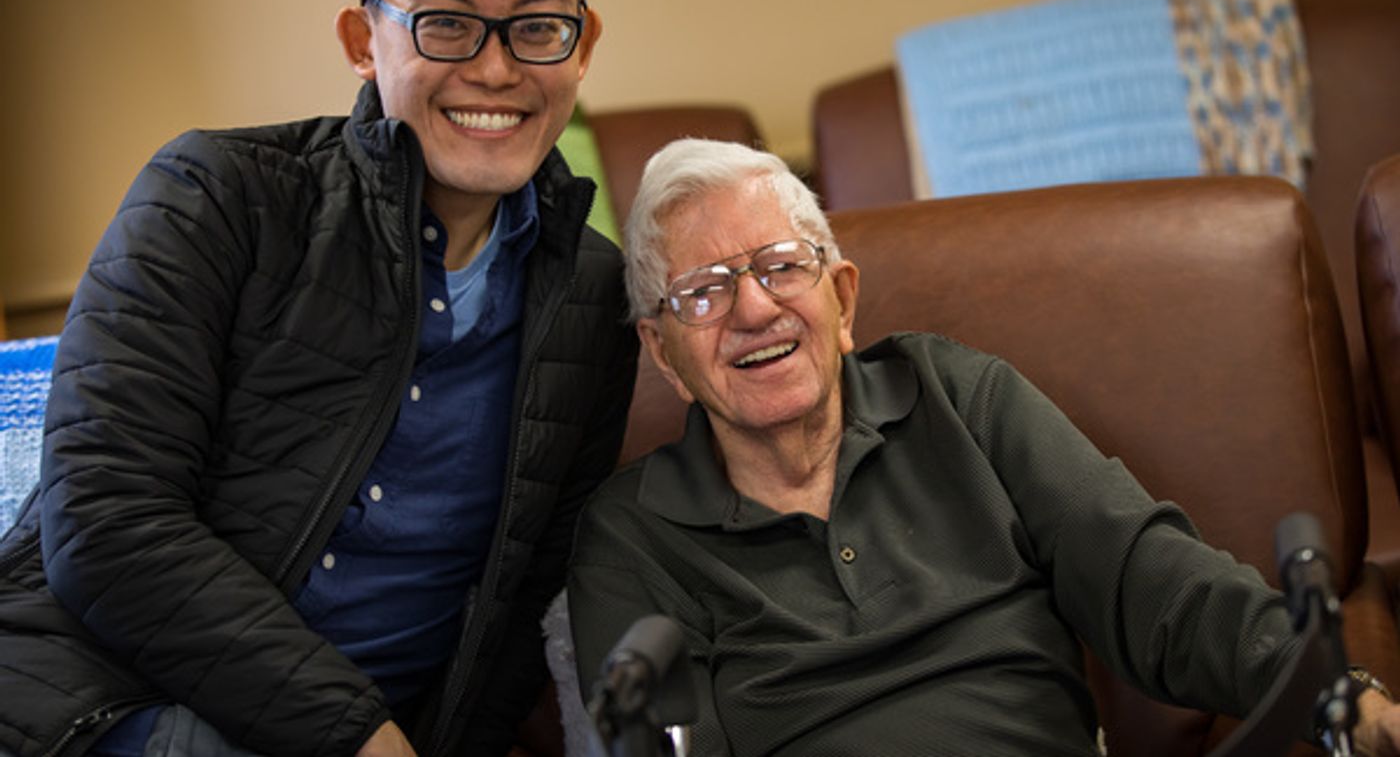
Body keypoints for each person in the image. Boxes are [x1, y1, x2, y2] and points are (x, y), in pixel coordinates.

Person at [0, 0, 638, 757]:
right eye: (445, 25)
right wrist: (361, 739)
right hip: (96, 701)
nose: (496, 71)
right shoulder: (215, 195)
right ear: (360, 40)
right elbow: (106, 524)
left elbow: (524, 595)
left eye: (537, 26)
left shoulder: (591, 290)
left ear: (584, 43)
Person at [566, 138, 1400, 756]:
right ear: (663, 351)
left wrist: (1340, 694)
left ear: (842, 297)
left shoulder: (956, 396)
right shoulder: (630, 539)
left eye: (782, 266)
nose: (754, 308)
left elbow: (1154, 580)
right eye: (703, 293)